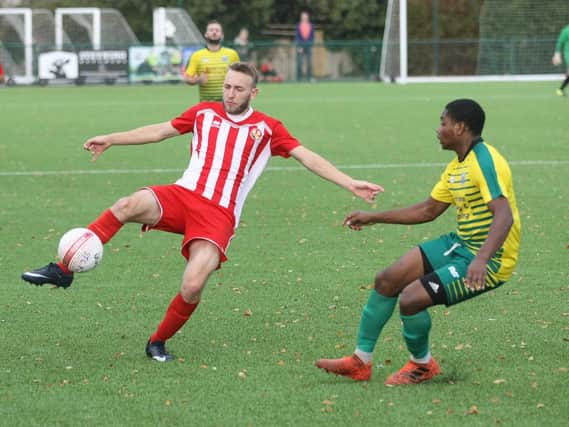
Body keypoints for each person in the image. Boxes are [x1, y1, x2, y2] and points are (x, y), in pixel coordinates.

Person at [22, 62, 383, 363]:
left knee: (193, 284)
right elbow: (158, 131)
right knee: (126, 205)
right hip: (183, 195)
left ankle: (157, 342)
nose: (230, 93)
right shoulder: (204, 113)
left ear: (253, 93)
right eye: (227, 86)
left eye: (239, 89)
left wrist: (349, 183)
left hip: (219, 215)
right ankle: (63, 270)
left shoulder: (267, 128)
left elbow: (308, 157)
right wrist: (112, 138)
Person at [315, 99, 520, 386]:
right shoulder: (456, 167)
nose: (438, 129)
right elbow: (428, 210)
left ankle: (422, 365)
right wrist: (374, 217)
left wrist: (482, 259)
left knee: (411, 298)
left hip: (491, 260)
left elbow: (504, 215)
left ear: (460, 127)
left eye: (443, 122)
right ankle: (360, 361)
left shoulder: (485, 161)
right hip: (462, 245)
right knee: (388, 279)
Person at [184, 20, 240, 101]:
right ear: (206, 35)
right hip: (206, 104)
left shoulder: (232, 54)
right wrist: (198, 80)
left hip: (228, 103)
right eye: (211, 30)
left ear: (222, 35)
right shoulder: (197, 55)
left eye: (217, 30)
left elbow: (241, 77)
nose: (214, 32)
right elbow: (187, 78)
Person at [295, 11, 314, 81]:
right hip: (301, 47)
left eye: (306, 17)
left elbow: (312, 37)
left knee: (309, 63)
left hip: (308, 46)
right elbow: (297, 37)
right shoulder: (298, 26)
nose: (304, 19)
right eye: (303, 17)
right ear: (301, 18)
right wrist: (299, 46)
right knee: (300, 63)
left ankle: (309, 78)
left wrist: (310, 44)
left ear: (308, 18)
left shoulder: (311, 26)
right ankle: (299, 78)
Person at [552, 24, 569, 96]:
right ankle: (560, 90)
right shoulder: (566, 30)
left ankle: (560, 90)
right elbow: (560, 42)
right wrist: (557, 54)